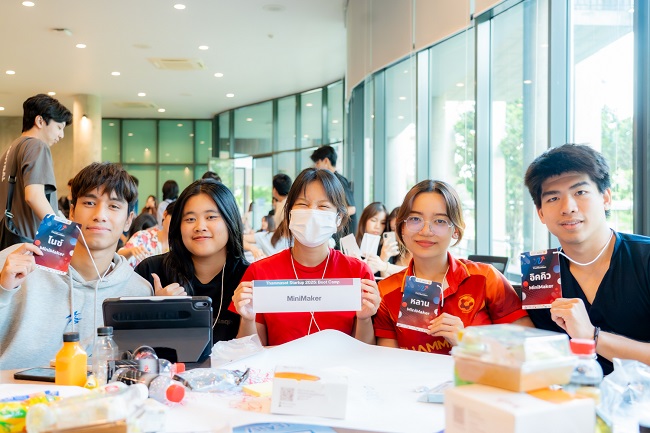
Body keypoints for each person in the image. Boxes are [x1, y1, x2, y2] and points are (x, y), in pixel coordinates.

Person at [0, 162, 153, 369]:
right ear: (72, 212)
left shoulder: (138, 292)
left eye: (114, 206)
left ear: (128, 221)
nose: (100, 215)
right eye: (89, 203)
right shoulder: (16, 261)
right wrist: (3, 290)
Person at [524, 143, 650, 374]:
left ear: (606, 198)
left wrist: (592, 336)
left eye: (580, 192)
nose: (568, 208)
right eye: (553, 198)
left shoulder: (645, 258)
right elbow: (540, 355)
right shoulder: (539, 272)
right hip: (569, 394)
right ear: (541, 213)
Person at [374, 180, 531, 355]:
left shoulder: (485, 278)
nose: (426, 231)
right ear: (401, 226)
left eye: (440, 221)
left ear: (455, 230)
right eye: (415, 219)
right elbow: (389, 362)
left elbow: (527, 345)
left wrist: (468, 342)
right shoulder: (386, 291)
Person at [231, 168, 380, 346]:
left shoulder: (358, 273)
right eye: (303, 204)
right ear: (289, 213)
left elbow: (365, 352)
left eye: (323, 206)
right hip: (280, 365)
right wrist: (247, 319)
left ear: (338, 218)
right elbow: (251, 351)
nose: (312, 214)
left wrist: (364, 318)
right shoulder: (260, 272)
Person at [135, 179, 249, 343]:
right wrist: (157, 313)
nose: (200, 227)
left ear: (230, 221)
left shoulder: (248, 277)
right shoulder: (151, 271)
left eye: (211, 217)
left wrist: (248, 318)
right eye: (190, 219)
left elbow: (257, 351)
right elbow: (130, 347)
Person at [0, 94, 72, 242]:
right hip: (28, 241)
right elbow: (34, 196)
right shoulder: (37, 145)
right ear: (40, 121)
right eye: (59, 127)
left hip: (8, 240)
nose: (61, 135)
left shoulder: (10, 150)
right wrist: (59, 233)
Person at [310, 145, 357, 237]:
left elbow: (352, 208)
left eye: (317, 163)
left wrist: (331, 216)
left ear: (326, 161)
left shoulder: (338, 181)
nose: (316, 166)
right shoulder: (329, 180)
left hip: (344, 235)